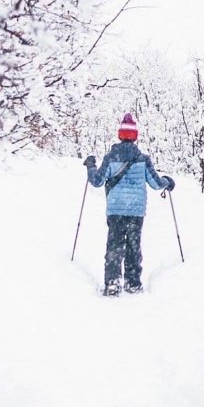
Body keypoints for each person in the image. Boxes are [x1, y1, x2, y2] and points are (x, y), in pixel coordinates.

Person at [83, 113, 175, 296]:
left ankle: (112, 284)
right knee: (134, 246)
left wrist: (90, 166)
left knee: (114, 246)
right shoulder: (143, 159)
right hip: (136, 210)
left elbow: (97, 181)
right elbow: (156, 184)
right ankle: (133, 283)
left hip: (115, 209)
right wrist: (168, 182)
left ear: (120, 135)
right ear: (135, 136)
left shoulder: (110, 158)